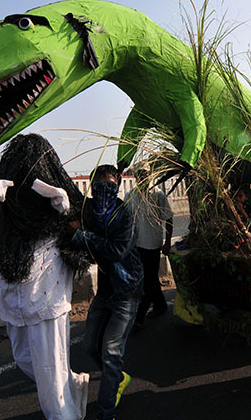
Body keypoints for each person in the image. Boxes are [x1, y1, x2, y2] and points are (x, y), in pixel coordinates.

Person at [0, 134, 90, 420]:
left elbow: (81, 242)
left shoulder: (58, 220)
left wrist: (64, 212)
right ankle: (76, 388)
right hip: (15, 302)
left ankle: (65, 415)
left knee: (50, 380)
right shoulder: (13, 228)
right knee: (26, 361)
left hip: (47, 304)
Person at [70, 164, 144, 420]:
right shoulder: (89, 210)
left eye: (108, 186)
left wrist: (82, 235)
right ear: (91, 188)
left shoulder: (126, 214)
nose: (103, 192)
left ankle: (106, 412)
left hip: (127, 289)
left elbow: (115, 251)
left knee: (111, 352)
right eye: (98, 187)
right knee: (90, 347)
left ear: (118, 184)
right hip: (105, 291)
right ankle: (118, 378)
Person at [125, 165, 173, 329]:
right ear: (135, 177)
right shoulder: (130, 196)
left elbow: (168, 218)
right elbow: (126, 220)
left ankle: (139, 317)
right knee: (149, 279)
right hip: (137, 245)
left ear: (151, 175)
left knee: (147, 280)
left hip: (153, 244)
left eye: (145, 174)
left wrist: (167, 242)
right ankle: (161, 305)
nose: (143, 178)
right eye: (139, 175)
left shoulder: (158, 195)